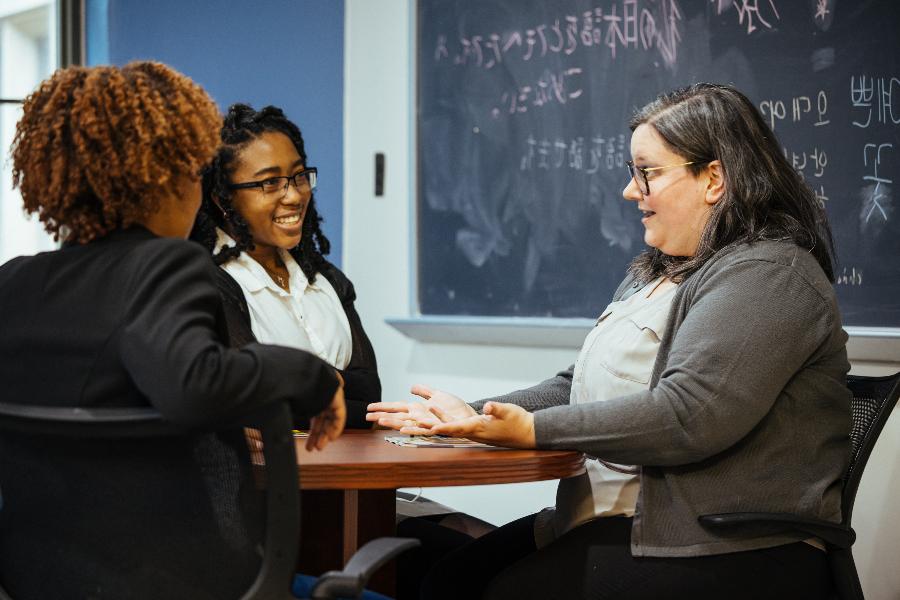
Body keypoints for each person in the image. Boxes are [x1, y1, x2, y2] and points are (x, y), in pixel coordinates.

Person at [368, 83, 850, 600]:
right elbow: (576, 385)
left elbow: (690, 415)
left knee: (504, 592)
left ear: (713, 179)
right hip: (612, 520)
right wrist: (474, 416)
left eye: (648, 172)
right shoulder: (659, 272)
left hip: (724, 544)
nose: (630, 190)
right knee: (448, 577)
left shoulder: (771, 274)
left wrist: (533, 430)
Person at [0, 62, 345, 599]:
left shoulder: (14, 283)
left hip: (38, 582)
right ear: (170, 177)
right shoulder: (167, 264)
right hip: (187, 585)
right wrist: (310, 375)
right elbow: (195, 385)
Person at [190, 103, 379, 429]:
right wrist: (334, 383)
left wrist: (311, 383)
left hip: (348, 470)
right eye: (270, 183)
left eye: (299, 176)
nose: (294, 195)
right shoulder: (210, 283)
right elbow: (257, 402)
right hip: (270, 477)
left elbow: (372, 396)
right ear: (223, 199)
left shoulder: (327, 280)